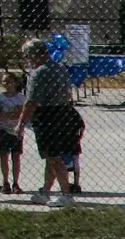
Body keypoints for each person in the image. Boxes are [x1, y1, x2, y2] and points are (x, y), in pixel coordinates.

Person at [15, 38, 78, 207]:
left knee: (54, 156)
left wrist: (21, 123)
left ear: (35, 55)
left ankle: (66, 193)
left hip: (47, 115)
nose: (27, 59)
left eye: (28, 55)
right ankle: (45, 190)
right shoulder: (60, 68)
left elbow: (31, 101)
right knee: (52, 156)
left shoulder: (39, 72)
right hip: (64, 112)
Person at [0, 70, 26, 194]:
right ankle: (6, 181)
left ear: (15, 83)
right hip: (2, 130)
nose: (6, 84)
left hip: (16, 131)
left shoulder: (21, 98)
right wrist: (7, 115)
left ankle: (16, 182)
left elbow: (19, 114)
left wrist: (4, 115)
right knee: (3, 156)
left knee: (16, 157)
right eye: (3, 82)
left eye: (8, 81)